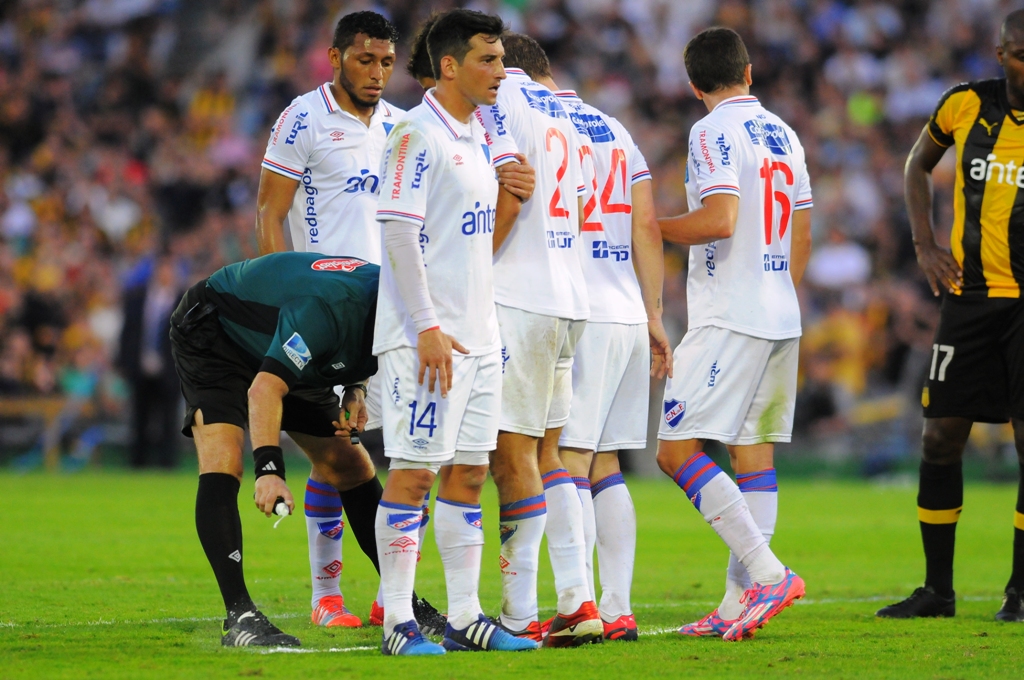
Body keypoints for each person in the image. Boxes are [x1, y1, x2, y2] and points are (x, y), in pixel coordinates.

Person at [255, 10, 446, 632]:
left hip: (392, 312)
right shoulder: (302, 118)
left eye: (387, 62)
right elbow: (269, 212)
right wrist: (284, 299)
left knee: (415, 457)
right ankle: (326, 594)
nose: (377, 72)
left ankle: (392, 593)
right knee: (335, 452)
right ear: (336, 57)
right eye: (365, 59)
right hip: (325, 310)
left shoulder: (402, 126)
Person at [372, 8, 537, 656]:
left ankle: (465, 617)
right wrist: (426, 327)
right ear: (448, 66)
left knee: (469, 474)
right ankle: (396, 621)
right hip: (427, 338)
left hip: (479, 337)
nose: (500, 71)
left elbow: (470, 240)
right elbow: (397, 233)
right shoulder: (417, 133)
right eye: (487, 60)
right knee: (414, 474)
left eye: (501, 60)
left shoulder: (477, 135)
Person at [497, 33, 672, 642]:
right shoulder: (613, 128)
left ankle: (581, 604)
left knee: (561, 460)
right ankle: (617, 607)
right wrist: (654, 314)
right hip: (626, 311)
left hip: (573, 306)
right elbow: (646, 224)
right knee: (607, 464)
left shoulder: (523, 114)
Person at [655, 27, 811, 641]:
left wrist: (649, 225)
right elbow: (800, 231)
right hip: (780, 313)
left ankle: (769, 575)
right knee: (754, 458)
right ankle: (733, 603)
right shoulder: (785, 133)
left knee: (675, 451)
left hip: (730, 315)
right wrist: (779, 296)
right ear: (748, 72)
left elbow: (720, 220)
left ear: (695, 85)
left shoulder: (710, 131)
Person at [876, 10, 1024, 623]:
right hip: (969, 300)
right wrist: (925, 244)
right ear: (1001, 53)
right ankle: (938, 591)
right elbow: (917, 164)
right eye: (1021, 53)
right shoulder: (965, 104)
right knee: (939, 437)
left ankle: (1020, 592)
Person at [169, 251, 382, 647]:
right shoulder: (326, 311)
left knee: (349, 464)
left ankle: (403, 600)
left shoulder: (396, 301)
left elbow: (369, 347)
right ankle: (239, 615)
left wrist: (356, 389)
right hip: (216, 331)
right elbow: (265, 389)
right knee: (224, 460)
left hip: (277, 344)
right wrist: (269, 471)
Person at [471, 32, 598, 648]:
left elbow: (509, 190)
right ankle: (577, 601)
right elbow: (580, 198)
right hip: (569, 296)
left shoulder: (498, 102)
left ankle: (518, 616)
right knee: (549, 456)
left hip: (519, 296)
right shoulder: (571, 115)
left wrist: (468, 272)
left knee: (510, 456)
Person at [117, 254, 183, 469]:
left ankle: (167, 464)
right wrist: (124, 363)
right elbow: (128, 331)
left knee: (168, 419)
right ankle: (138, 463)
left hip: (170, 370)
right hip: (141, 367)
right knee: (139, 418)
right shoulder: (138, 297)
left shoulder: (184, 299)